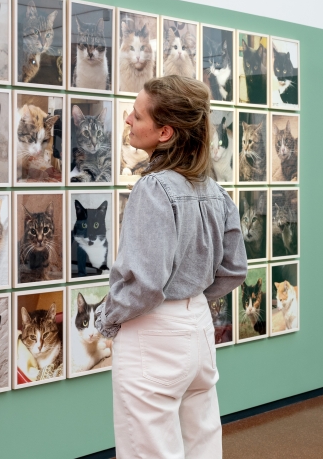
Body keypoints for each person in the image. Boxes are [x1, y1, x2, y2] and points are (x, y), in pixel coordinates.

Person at [95, 75, 247, 458]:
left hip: (153, 331)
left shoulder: (153, 188)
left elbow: (145, 285)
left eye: (137, 115)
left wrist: (106, 319)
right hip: (198, 328)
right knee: (203, 445)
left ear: (165, 133)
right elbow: (234, 270)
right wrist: (191, 294)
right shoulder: (215, 190)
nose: (128, 119)